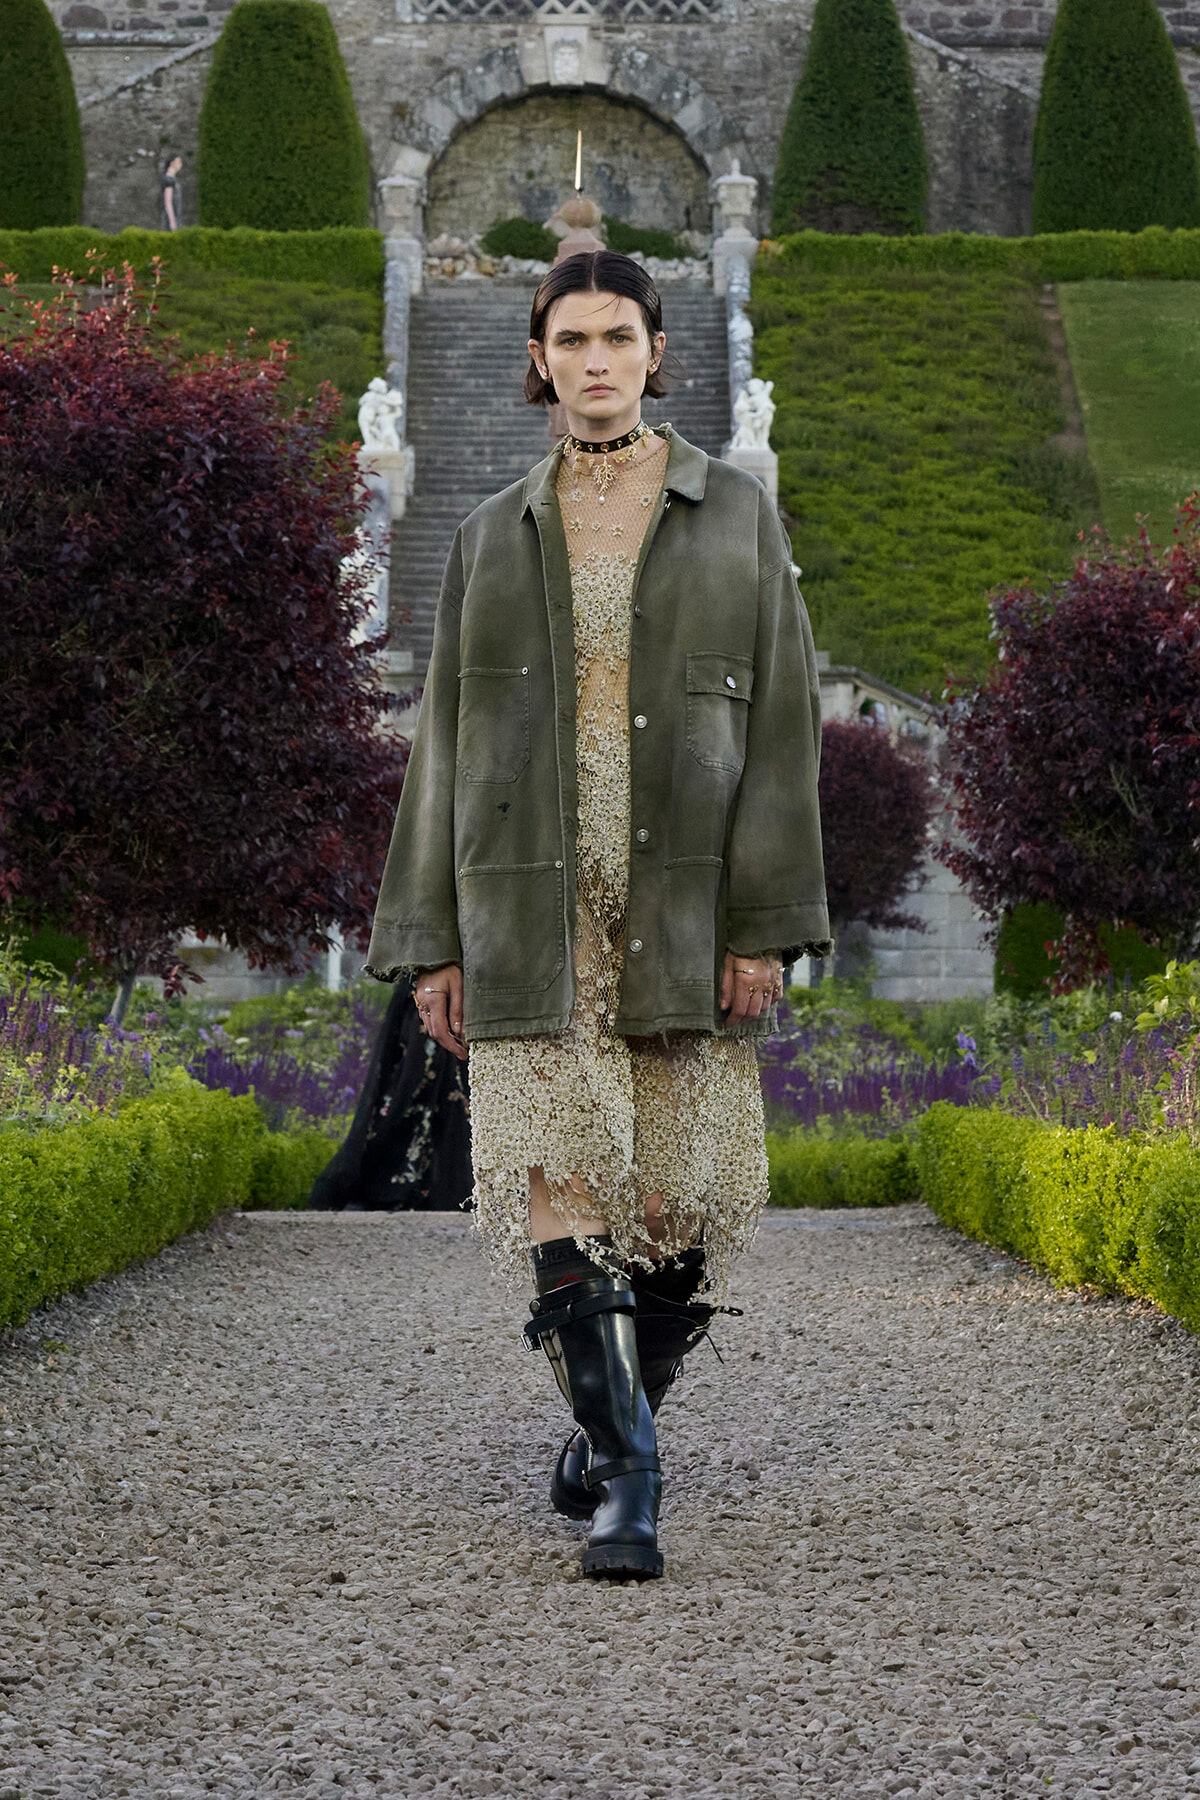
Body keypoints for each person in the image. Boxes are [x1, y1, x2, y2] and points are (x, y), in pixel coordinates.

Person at [365, 249, 829, 1581]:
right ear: (539, 360)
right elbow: (441, 752)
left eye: (617, 337)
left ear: (659, 351)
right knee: (562, 1178)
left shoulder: (737, 517)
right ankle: (632, 1478)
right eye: (568, 340)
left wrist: (764, 925)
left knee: (679, 1207)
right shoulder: (487, 534)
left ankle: (603, 1425)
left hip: (684, 899)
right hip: (531, 909)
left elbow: (787, 734)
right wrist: (432, 942)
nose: (594, 362)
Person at [160, 156, 183, 232]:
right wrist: (172, 221)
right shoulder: (168, 179)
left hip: (176, 216)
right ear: (172, 163)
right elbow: (168, 202)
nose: (181, 164)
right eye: (179, 162)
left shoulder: (173, 179)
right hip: (170, 218)